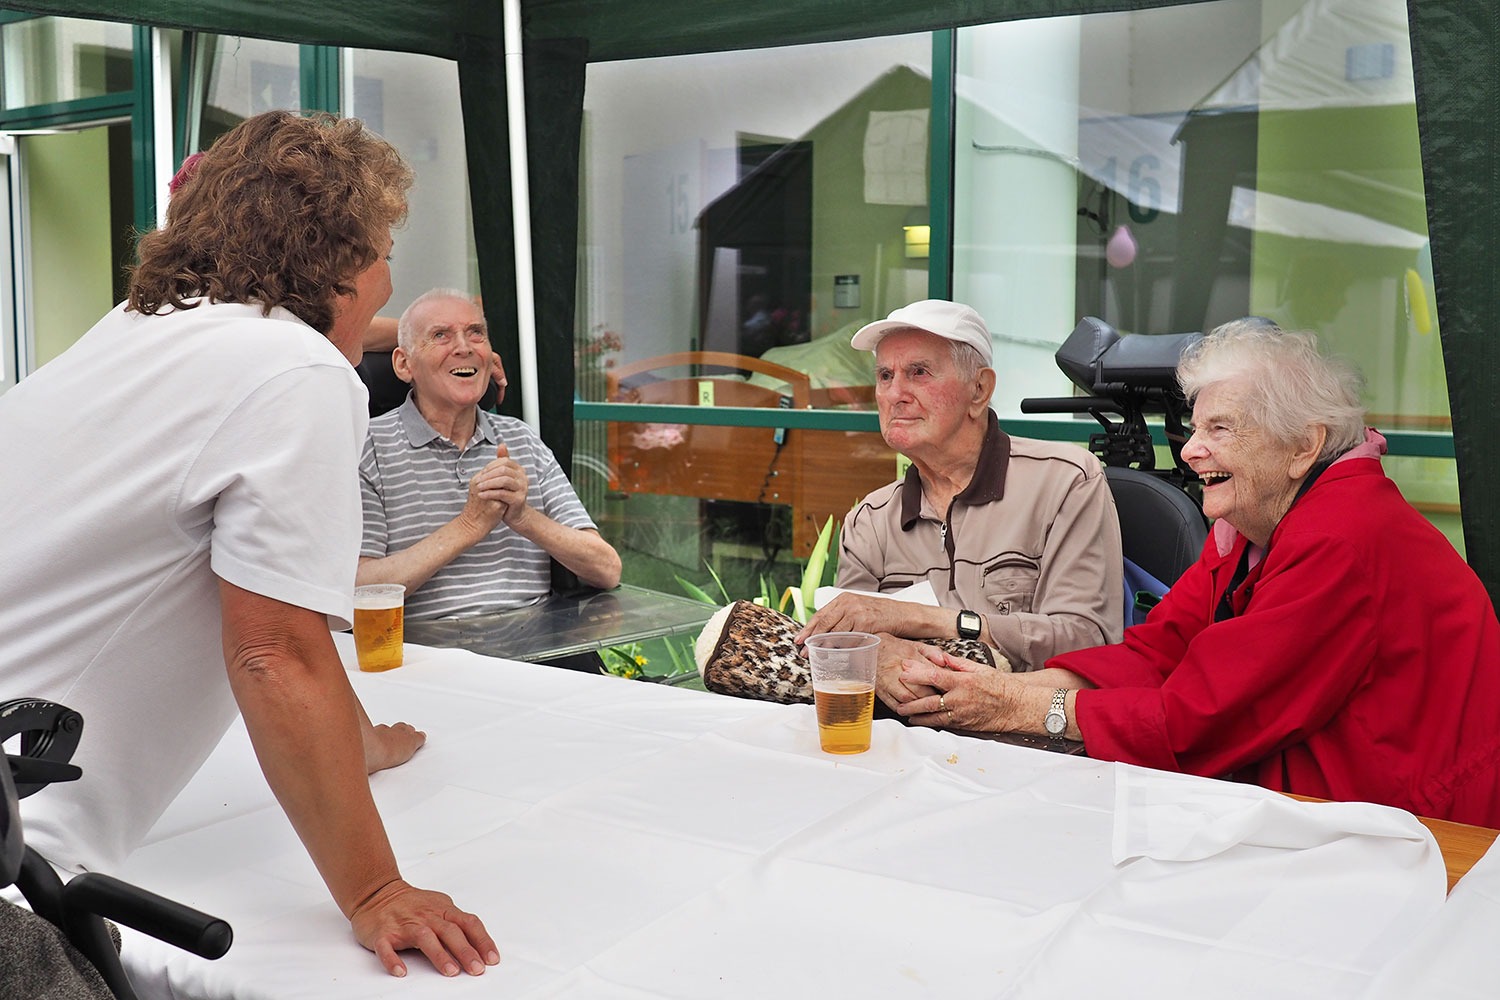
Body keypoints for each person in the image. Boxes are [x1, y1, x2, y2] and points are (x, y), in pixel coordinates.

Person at [0, 111, 498, 978]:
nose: (388, 278)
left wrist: (362, 740)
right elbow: (274, 651)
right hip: (14, 874)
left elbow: (275, 602)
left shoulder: (138, 329)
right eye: (383, 248)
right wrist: (376, 889)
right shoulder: (296, 373)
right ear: (338, 260)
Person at [895, 320, 1500, 826]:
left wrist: (1021, 708)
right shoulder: (1250, 523)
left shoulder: (1342, 536)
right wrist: (1014, 689)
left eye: (1221, 429)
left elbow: (1204, 717)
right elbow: (1163, 649)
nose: (1188, 450)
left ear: (1302, 447)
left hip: (1415, 826)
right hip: (1328, 798)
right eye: (1194, 427)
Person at [796, 299, 1124, 711]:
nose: (895, 394)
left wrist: (926, 620)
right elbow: (843, 645)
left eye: (919, 372)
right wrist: (875, 659)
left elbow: (1089, 642)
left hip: (1030, 743)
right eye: (884, 375)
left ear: (980, 389)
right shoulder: (871, 520)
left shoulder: (1064, 482)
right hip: (906, 745)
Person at [355, 288, 621, 621]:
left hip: (541, 648)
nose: (464, 348)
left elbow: (607, 569)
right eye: (441, 335)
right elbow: (359, 589)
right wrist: (468, 525)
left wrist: (524, 518)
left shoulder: (520, 439)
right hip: (425, 656)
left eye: (476, 333)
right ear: (404, 364)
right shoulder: (368, 447)